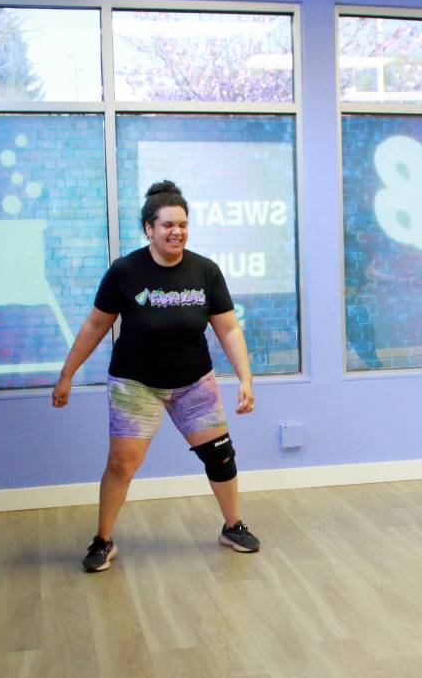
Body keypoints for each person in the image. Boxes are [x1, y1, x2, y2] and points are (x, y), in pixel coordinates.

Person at [52, 180, 260, 572]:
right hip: (136, 382)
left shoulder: (206, 271)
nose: (176, 231)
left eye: (182, 224)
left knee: (221, 456)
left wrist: (245, 378)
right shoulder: (125, 272)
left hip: (193, 380)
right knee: (122, 463)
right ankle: (102, 540)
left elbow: (228, 329)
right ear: (149, 227)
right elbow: (95, 325)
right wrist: (67, 375)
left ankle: (232, 525)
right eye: (167, 224)